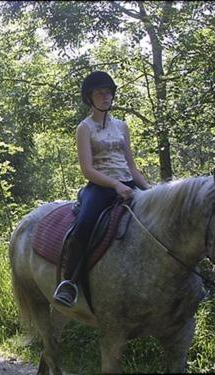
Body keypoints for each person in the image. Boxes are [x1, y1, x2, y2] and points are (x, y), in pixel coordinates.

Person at [53, 71, 151, 308]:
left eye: (109, 92)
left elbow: (132, 167)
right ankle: (69, 282)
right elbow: (87, 170)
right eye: (100, 93)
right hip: (100, 186)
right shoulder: (85, 128)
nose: (106, 97)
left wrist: (151, 191)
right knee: (85, 224)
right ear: (90, 98)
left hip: (128, 184)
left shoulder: (122, 126)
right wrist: (115, 185)